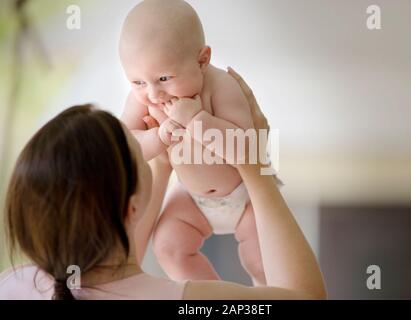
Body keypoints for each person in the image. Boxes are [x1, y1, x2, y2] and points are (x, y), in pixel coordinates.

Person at [0, 68, 326, 300]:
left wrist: (162, 162)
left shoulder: (15, 286)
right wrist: (256, 169)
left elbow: (113, 271)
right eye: (136, 146)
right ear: (132, 207)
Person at [120, 0, 272, 286]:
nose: (153, 93)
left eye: (164, 78)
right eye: (137, 82)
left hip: (245, 194)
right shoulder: (143, 101)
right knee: (168, 246)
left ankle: (261, 293)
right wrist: (157, 137)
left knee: (261, 258)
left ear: (202, 60)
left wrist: (198, 120)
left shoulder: (222, 86)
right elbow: (126, 145)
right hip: (193, 198)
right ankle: (215, 297)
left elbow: (245, 147)